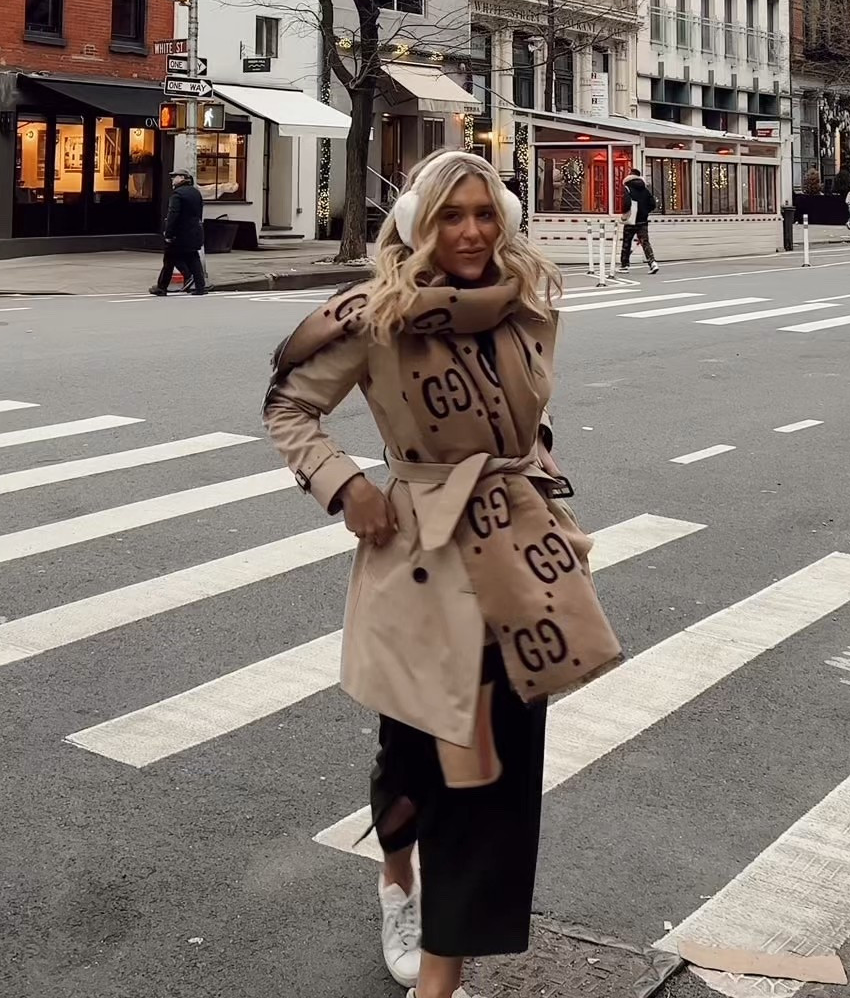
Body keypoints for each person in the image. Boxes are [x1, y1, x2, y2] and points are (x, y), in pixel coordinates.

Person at [264, 150, 623, 998]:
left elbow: (531, 417)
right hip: (419, 561)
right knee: (411, 766)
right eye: (452, 216)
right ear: (421, 225)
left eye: (485, 213)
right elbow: (288, 403)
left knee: (491, 775)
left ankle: (439, 978)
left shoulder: (528, 305)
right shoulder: (376, 317)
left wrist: (542, 492)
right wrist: (345, 485)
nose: (471, 231)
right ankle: (397, 879)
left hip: (513, 567)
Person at [149, 170, 207, 296]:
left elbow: (173, 215)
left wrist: (168, 234)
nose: (172, 180)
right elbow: (199, 213)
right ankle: (200, 287)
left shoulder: (177, 194)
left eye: (174, 177)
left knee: (169, 260)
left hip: (179, 233)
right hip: (195, 232)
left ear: (182, 178)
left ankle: (161, 287)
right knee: (193, 258)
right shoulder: (196, 193)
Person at [620, 170, 659, 273]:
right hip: (643, 220)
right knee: (645, 242)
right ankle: (652, 262)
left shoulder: (627, 188)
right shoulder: (645, 189)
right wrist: (645, 211)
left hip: (631, 220)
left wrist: (624, 213)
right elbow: (652, 204)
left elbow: (626, 203)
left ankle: (624, 265)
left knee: (627, 242)